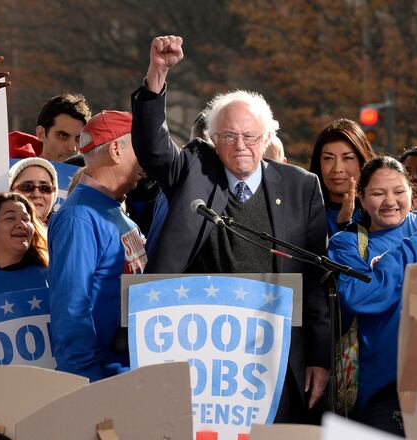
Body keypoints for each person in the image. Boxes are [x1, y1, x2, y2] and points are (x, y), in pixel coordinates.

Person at [131, 35, 330, 423]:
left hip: (274, 353)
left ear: (268, 138)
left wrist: (319, 358)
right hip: (205, 353)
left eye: (251, 136)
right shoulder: (194, 171)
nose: (241, 146)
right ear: (212, 140)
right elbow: (153, 148)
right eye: (229, 136)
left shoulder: (301, 187)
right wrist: (158, 73)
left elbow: (316, 279)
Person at [328, 157, 417, 436]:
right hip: (382, 388)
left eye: (399, 191)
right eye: (377, 193)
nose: (390, 201)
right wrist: (414, 247)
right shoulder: (347, 243)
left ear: (413, 193)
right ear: (361, 198)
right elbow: (358, 296)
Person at [48, 110, 146, 382]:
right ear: (116, 149)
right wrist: (86, 383)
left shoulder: (116, 213)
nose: (147, 159)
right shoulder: (78, 218)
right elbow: (71, 308)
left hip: (127, 373)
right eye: (141, 148)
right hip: (102, 379)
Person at [309, 119, 376, 237]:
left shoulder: (378, 210)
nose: (337, 168)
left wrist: (345, 224)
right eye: (328, 158)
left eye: (347, 158)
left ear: (362, 162)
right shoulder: (305, 211)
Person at [8, 93, 92, 162]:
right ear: (41, 134)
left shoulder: (91, 180)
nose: (72, 148)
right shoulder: (12, 175)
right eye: (63, 136)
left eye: (79, 139)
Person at [8, 157, 58, 223]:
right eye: (27, 187)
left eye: (45, 188)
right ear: (10, 191)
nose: (37, 194)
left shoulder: (64, 230)